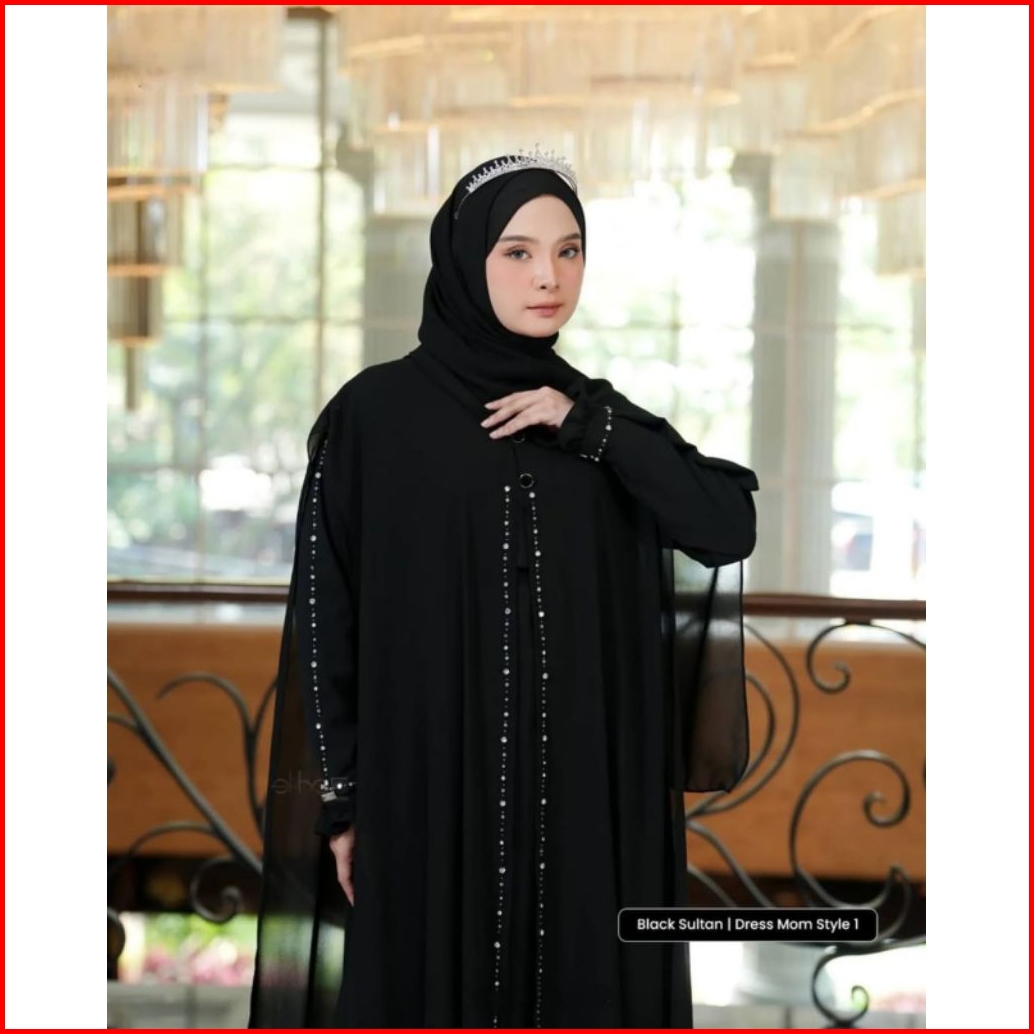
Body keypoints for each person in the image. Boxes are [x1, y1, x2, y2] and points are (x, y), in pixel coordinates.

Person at [248, 151, 758, 1029]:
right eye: (518, 252)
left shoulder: (596, 417)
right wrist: (343, 806)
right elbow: (328, 620)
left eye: (568, 251)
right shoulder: (375, 418)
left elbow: (726, 524)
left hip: (584, 809)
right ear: (464, 258)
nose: (549, 277)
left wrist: (589, 427)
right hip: (427, 797)